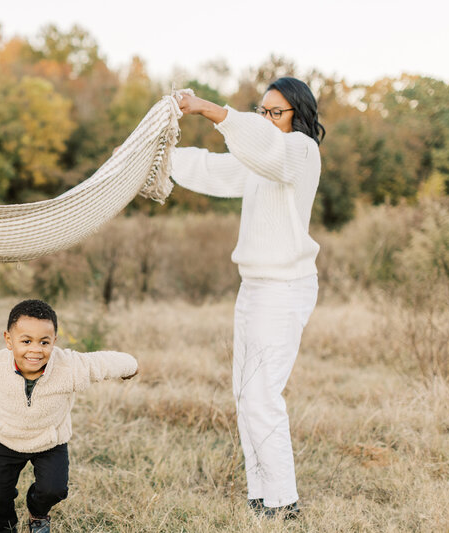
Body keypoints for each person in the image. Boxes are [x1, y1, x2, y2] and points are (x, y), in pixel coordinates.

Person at [171, 77, 325, 519]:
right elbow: (213, 169)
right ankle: (261, 495)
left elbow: (269, 152)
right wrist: (157, 156)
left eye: (276, 112)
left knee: (261, 396)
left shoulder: (300, 152)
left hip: (284, 289)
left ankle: (283, 503)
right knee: (246, 394)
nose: (266, 119)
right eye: (261, 111)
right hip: (254, 287)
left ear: (298, 115)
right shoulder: (258, 157)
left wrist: (208, 109)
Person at [0, 299, 138, 533]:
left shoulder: (68, 366)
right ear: (8, 340)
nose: (35, 350)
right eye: (26, 341)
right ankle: (4, 528)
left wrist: (131, 366)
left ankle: (38, 513)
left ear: (54, 342)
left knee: (54, 489)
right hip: (6, 440)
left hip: (50, 442)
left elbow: (101, 363)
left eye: (44, 342)